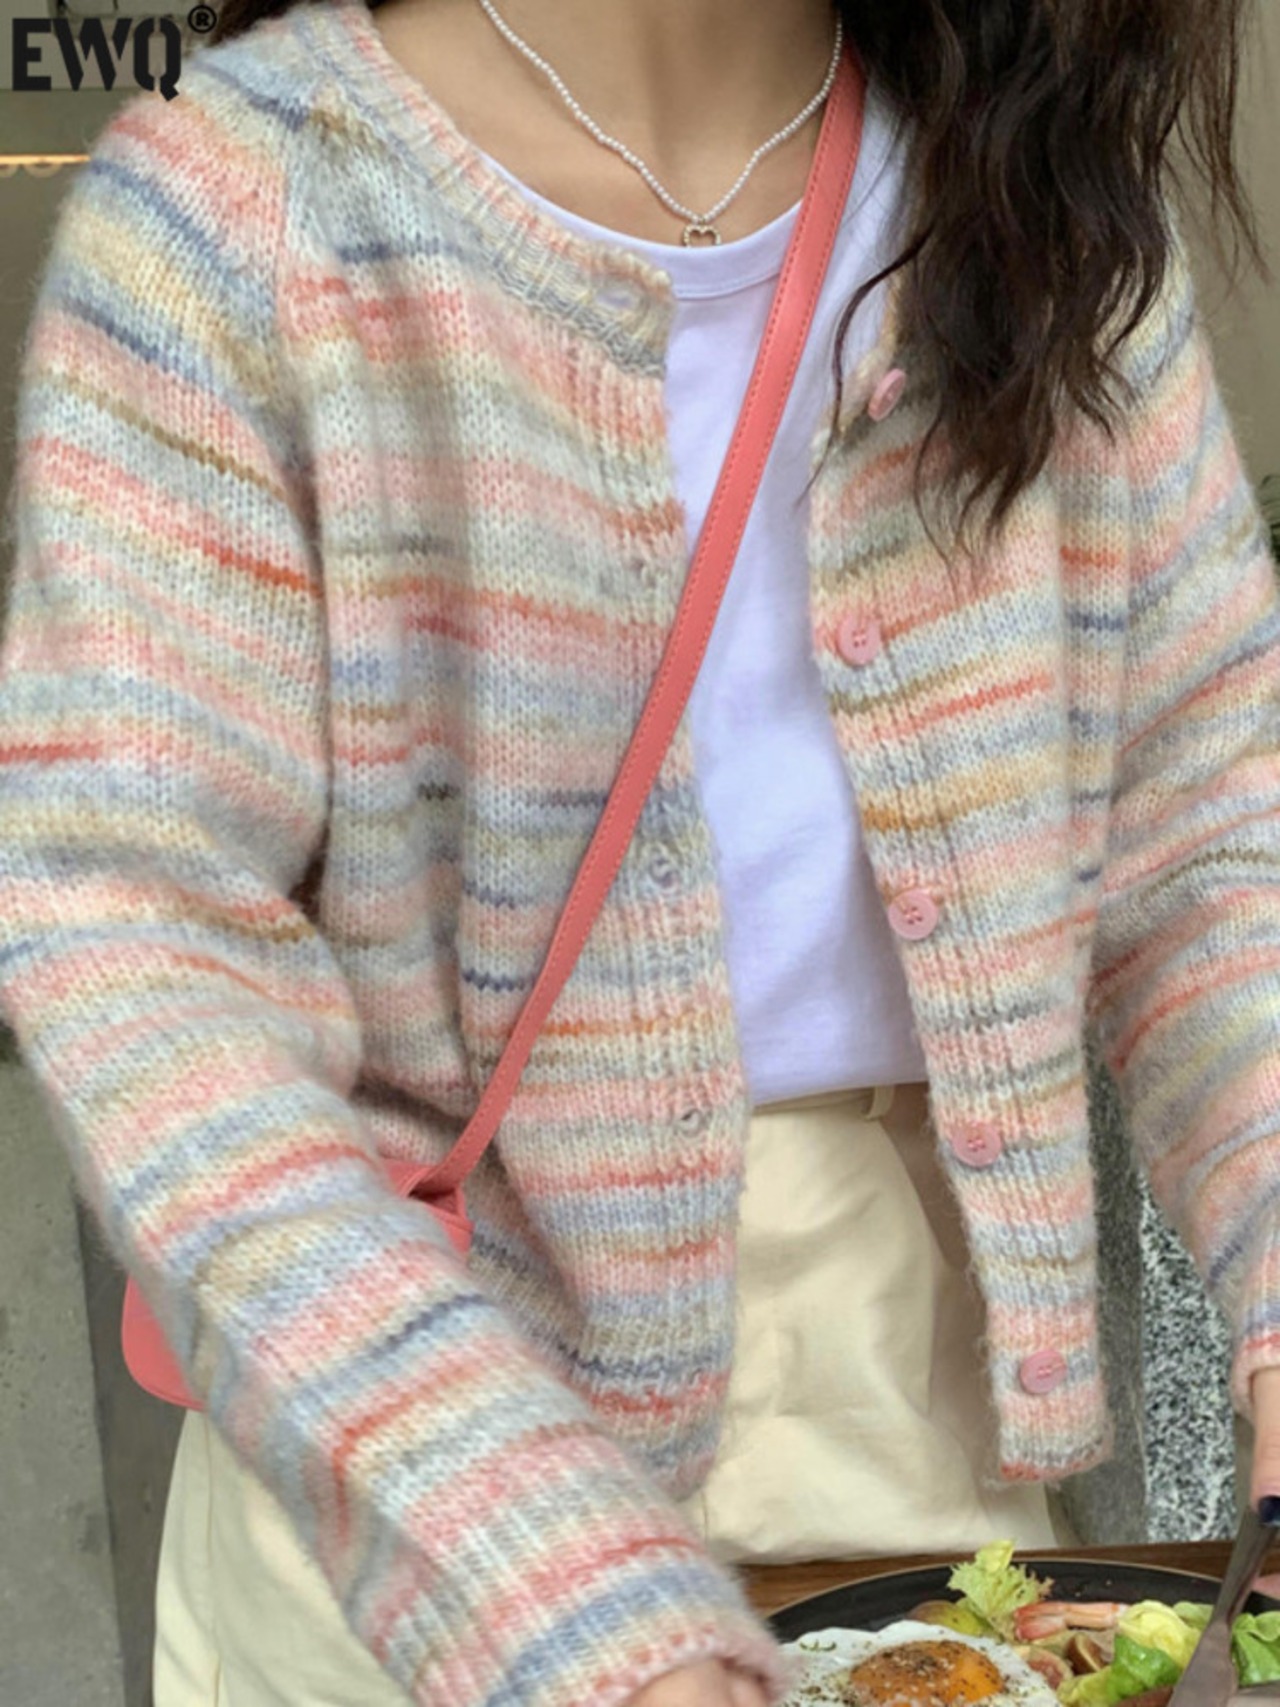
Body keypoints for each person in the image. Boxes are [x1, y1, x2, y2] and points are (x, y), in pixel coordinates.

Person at [0, 0, 1277, 1702]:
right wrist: (562, 1586)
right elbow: (140, 957)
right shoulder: (243, 215)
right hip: (418, 1482)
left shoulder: (1030, 195)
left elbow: (1205, 844)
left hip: (910, 1422)